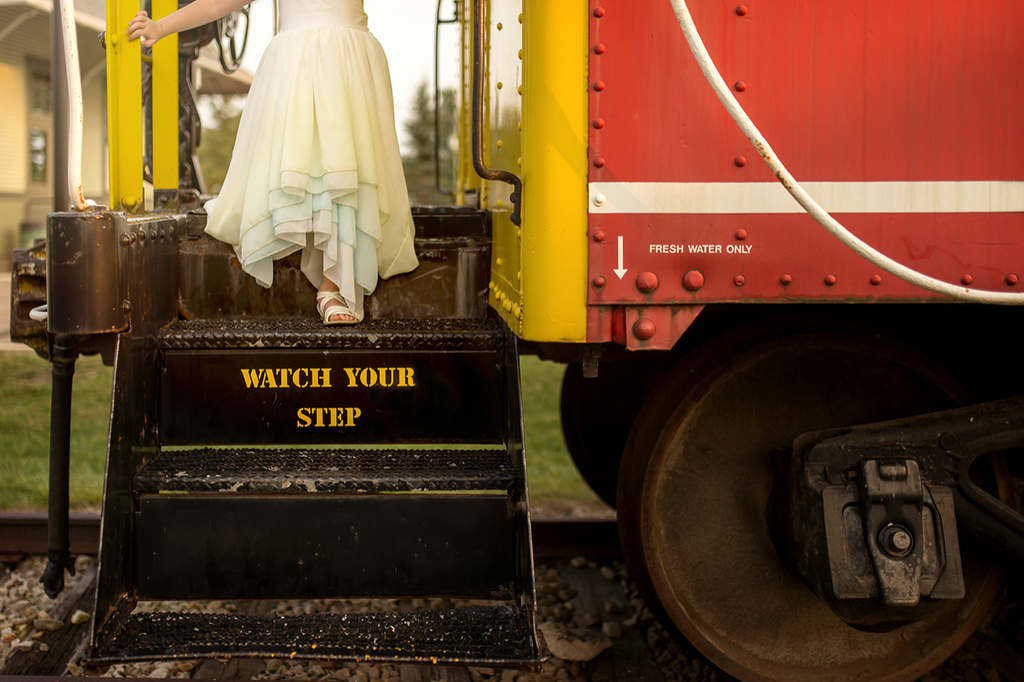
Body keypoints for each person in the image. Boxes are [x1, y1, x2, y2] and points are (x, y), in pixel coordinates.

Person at [128, 0, 419, 324]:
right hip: (297, 63)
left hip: (348, 60)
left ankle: (333, 284)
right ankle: (323, 262)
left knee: (347, 160)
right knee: (307, 155)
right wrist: (161, 26)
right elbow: (216, 3)